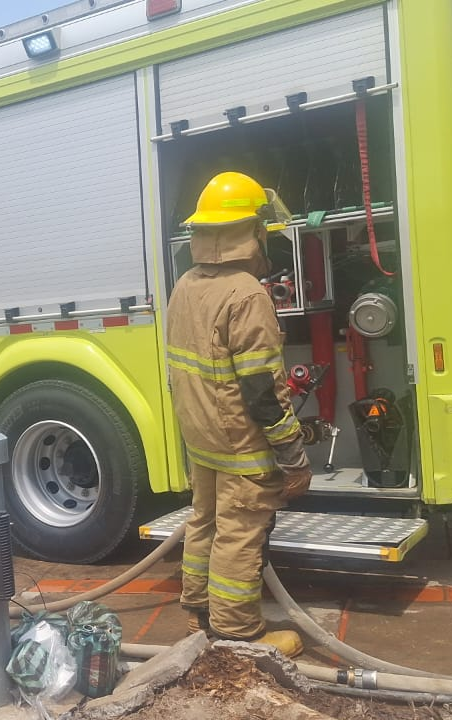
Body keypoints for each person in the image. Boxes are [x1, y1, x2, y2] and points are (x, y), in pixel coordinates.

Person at [166, 171, 313, 657]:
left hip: (201, 435)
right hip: (239, 439)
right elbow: (262, 390)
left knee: (204, 520)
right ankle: (238, 634)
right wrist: (293, 454)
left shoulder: (186, 284)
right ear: (248, 232)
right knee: (240, 531)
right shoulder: (247, 293)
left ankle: (200, 611)